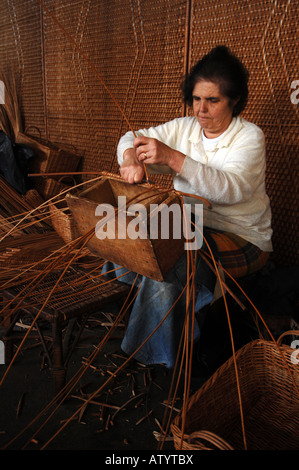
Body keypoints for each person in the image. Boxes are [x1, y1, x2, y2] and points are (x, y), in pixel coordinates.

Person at [103, 45, 272, 369]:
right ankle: (132, 311)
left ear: (234, 100)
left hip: (240, 233)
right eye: (196, 99)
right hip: (190, 221)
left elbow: (231, 189)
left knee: (172, 257)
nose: (201, 109)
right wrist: (129, 158)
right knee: (125, 231)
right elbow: (130, 137)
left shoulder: (250, 137)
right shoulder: (184, 128)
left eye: (212, 100)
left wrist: (172, 158)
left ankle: (149, 355)